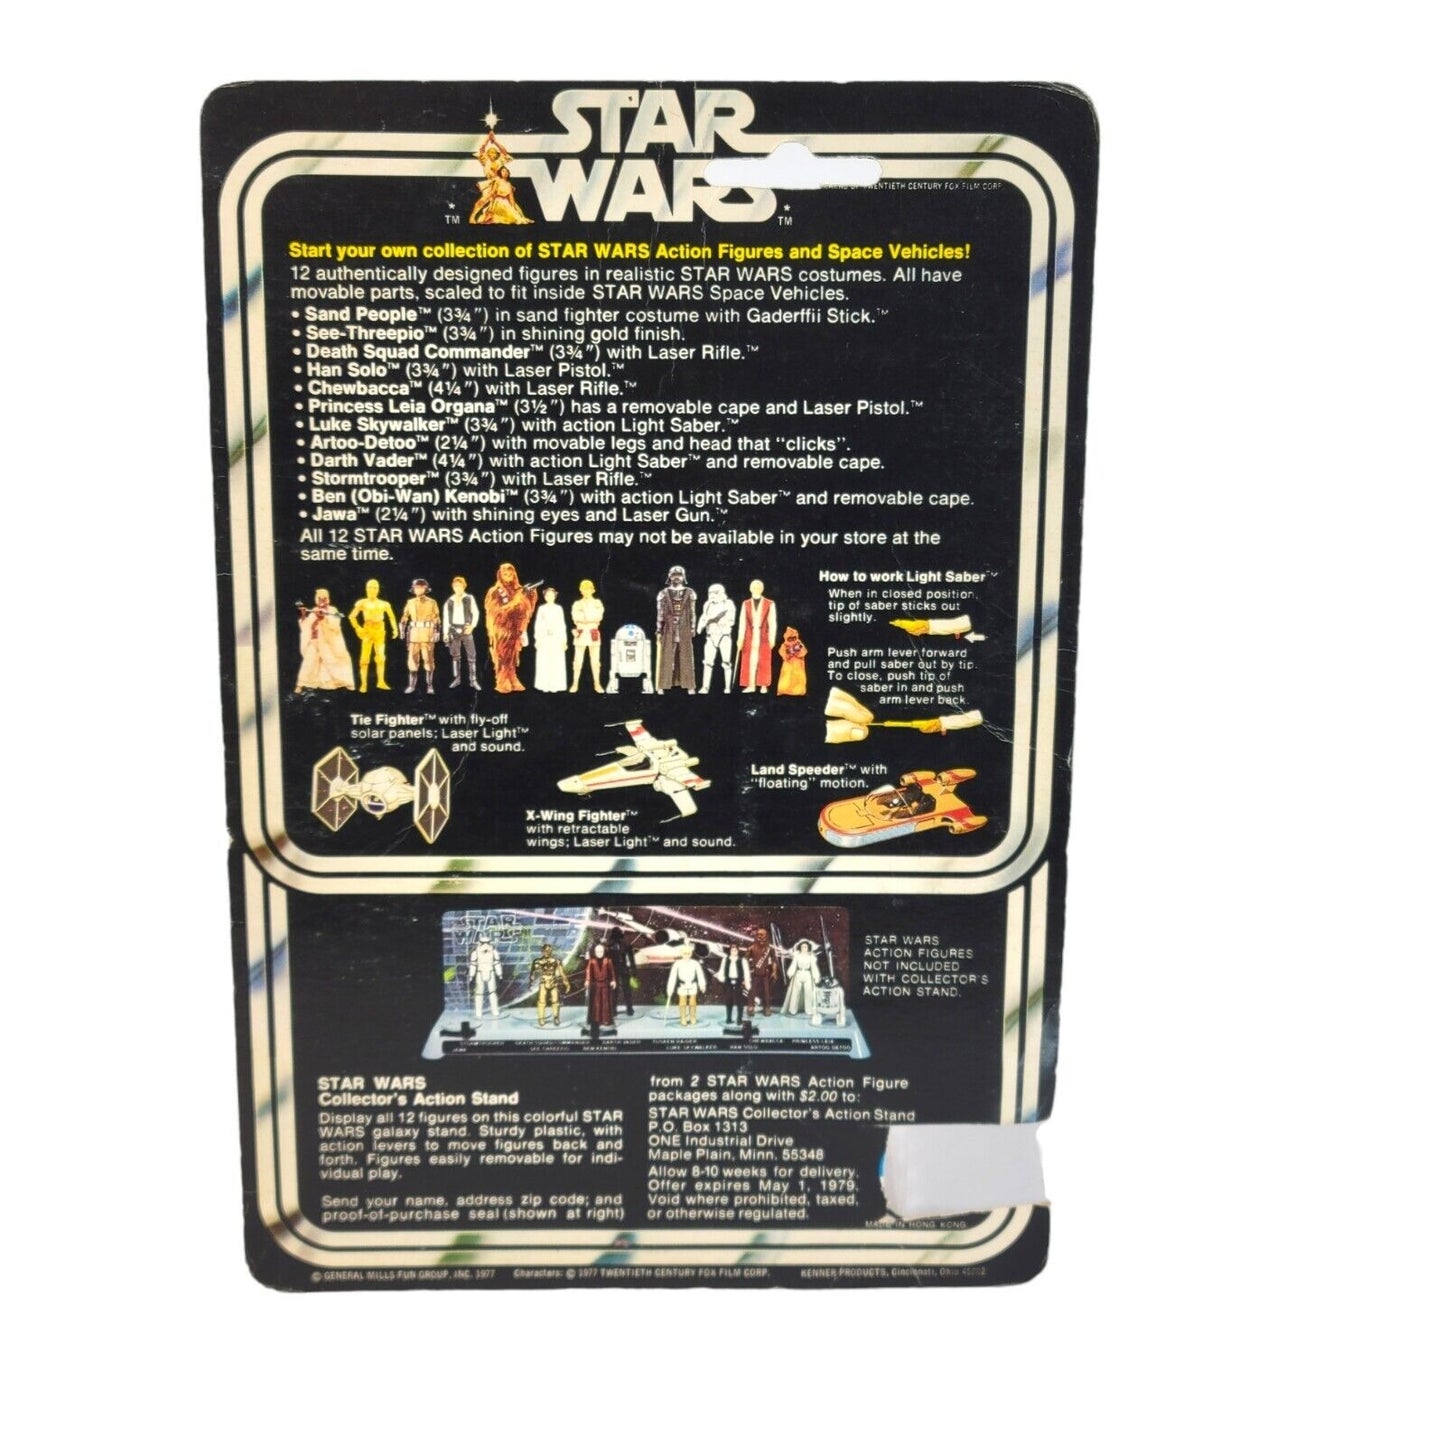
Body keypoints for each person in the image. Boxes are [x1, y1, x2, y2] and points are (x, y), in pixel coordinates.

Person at [483, 563, 537, 693]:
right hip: (501, 630)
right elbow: (495, 613)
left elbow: (526, 610)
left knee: (513, 657)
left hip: (515, 629)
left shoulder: (518, 591)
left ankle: (512, 678)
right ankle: (502, 681)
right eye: (505, 574)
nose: (508, 576)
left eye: (510, 574)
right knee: (502, 657)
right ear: (500, 575)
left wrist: (530, 596)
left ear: (514, 575)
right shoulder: (494, 592)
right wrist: (517, 601)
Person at [295, 589, 354, 692]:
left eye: (324, 599)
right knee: (309, 662)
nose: (322, 601)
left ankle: (343, 683)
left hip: (328, 642)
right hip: (315, 641)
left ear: (328, 599)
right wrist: (304, 614)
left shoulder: (333, 610)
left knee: (332, 661)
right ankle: (300, 685)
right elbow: (306, 626)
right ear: (316, 600)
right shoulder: (314, 610)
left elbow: (336, 624)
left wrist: (324, 617)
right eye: (320, 599)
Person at [348, 579, 399, 693]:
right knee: (364, 659)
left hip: (380, 631)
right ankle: (364, 684)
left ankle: (381, 682)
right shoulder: (362, 603)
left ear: (378, 589)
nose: (372, 590)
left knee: (381, 658)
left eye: (375, 587)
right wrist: (358, 628)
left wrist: (395, 629)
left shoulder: (384, 604)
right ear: (366, 589)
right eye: (370, 587)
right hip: (367, 631)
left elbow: (391, 617)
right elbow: (352, 616)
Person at [656, 566, 697, 691]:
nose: (677, 577)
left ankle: (689, 686)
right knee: (667, 656)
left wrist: (693, 627)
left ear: (683, 577)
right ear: (670, 577)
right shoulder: (663, 593)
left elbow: (692, 612)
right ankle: (663, 685)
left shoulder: (689, 593)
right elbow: (660, 613)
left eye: (679, 575)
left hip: (684, 627)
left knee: (686, 656)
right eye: (674, 575)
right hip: (669, 628)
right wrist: (659, 629)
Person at [401, 578, 441, 695]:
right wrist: (402, 630)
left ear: (425, 588)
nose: (418, 590)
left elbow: (437, 618)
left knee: (428, 660)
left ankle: (430, 685)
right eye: (416, 588)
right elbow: (404, 617)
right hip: (414, 635)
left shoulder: (432, 602)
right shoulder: (410, 602)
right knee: (412, 660)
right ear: (413, 589)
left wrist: (437, 632)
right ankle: (411, 685)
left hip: (427, 634)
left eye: (420, 587)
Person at [736, 580, 777, 693]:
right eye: (754, 587)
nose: (756, 589)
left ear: (762, 589)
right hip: (749, 636)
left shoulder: (769, 603)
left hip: (764, 636)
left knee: (764, 660)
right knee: (749, 661)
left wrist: (772, 638)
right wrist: (740, 638)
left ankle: (763, 685)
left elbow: (772, 623)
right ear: (750, 589)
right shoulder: (746, 604)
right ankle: (751, 685)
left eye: (758, 587)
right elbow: (742, 623)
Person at [696, 583, 736, 693]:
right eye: (710, 593)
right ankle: (705, 687)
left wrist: (711, 620)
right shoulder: (707, 605)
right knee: (707, 663)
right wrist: (700, 627)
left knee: (726, 662)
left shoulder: (728, 604)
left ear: (721, 593)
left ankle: (727, 688)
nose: (712, 595)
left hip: (724, 636)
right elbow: (704, 617)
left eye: (715, 593)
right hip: (711, 636)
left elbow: (729, 620)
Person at [443, 576, 480, 689]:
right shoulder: (449, 601)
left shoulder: (469, 598)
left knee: (472, 655)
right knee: (455, 656)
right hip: (453, 631)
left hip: (466, 629)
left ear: (464, 586)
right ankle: (457, 679)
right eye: (456, 586)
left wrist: (472, 626)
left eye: (460, 586)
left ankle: (473, 680)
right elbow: (446, 618)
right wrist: (445, 633)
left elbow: (476, 613)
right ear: (453, 587)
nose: (458, 588)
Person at [569, 579, 605, 693]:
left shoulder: (597, 603)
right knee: (577, 661)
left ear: (592, 590)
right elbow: (575, 618)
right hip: (581, 633)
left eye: (588, 589)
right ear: (581, 590)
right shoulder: (577, 604)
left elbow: (598, 617)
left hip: (593, 633)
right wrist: (587, 618)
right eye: (584, 589)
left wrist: (585, 616)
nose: (586, 591)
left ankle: (597, 683)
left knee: (595, 662)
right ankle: (575, 683)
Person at [533, 587, 568, 692]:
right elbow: (538, 624)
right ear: (545, 597)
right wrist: (537, 639)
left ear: (555, 596)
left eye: (552, 595)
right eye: (548, 595)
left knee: (556, 661)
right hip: (544, 639)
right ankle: (544, 685)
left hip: (556, 639)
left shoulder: (559, 609)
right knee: (544, 661)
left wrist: (563, 641)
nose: (550, 597)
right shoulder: (541, 609)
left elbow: (562, 625)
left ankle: (555, 685)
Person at [783, 939, 824, 1025]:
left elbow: (813, 967)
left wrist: (816, 977)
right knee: (795, 992)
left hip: (807, 974)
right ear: (800, 948)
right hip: (798, 974)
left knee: (808, 992)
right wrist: (790, 973)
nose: (804, 948)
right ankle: (793, 1009)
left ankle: (809, 1009)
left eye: (805, 947)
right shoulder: (797, 956)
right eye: (802, 947)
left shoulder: (811, 957)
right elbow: (794, 965)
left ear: (808, 948)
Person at [712, 943, 752, 1024]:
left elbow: (746, 972)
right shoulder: (725, 960)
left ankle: (739, 1019)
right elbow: (722, 970)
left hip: (738, 982)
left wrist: (747, 982)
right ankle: (728, 1018)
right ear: (730, 951)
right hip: (728, 982)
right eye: (732, 950)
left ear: (738, 951)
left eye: (735, 950)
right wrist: (722, 978)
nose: (734, 952)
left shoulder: (742, 960)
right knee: (728, 1000)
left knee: (739, 1001)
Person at [584, 942, 617, 1038]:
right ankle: (596, 1020)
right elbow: (588, 972)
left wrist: (613, 980)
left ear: (604, 951)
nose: (599, 953)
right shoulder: (592, 961)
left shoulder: (608, 961)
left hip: (606, 985)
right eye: (597, 951)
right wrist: (587, 980)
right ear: (595, 952)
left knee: (605, 1004)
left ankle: (606, 1020)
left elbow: (612, 972)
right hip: (596, 986)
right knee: (597, 1004)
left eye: (601, 951)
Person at [529, 943, 566, 1027]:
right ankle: (541, 1018)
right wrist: (531, 984)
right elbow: (532, 973)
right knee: (541, 1002)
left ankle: (556, 1017)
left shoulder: (556, 961)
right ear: (542, 951)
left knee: (555, 1001)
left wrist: (566, 983)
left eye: (549, 950)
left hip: (553, 982)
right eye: (545, 950)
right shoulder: (537, 961)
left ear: (551, 951)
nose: (547, 952)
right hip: (543, 982)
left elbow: (561, 972)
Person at [604, 926, 636, 1016]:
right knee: (622, 990)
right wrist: (633, 970)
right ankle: (626, 1009)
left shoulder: (610, 944)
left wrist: (633, 970)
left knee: (620, 990)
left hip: (619, 968)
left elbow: (631, 959)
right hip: (619, 968)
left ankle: (622, 1009)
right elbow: (631, 959)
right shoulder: (612, 945)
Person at [470, 934, 502, 1019]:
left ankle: (494, 1010)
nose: (485, 945)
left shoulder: (494, 952)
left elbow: (497, 963)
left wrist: (500, 975)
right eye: (483, 943)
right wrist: (471, 976)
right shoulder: (475, 953)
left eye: (487, 943)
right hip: (480, 972)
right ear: (479, 943)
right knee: (479, 993)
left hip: (491, 972)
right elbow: (473, 965)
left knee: (492, 992)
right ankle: (478, 1011)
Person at [777, 626, 808, 696]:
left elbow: (804, 651)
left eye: (794, 638)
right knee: (786, 678)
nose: (792, 640)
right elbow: (782, 652)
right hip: (788, 665)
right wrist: (788, 655)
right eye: (790, 638)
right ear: (786, 638)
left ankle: (798, 691)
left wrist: (797, 653)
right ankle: (784, 690)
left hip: (798, 666)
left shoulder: (799, 644)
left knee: (798, 679)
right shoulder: (784, 645)